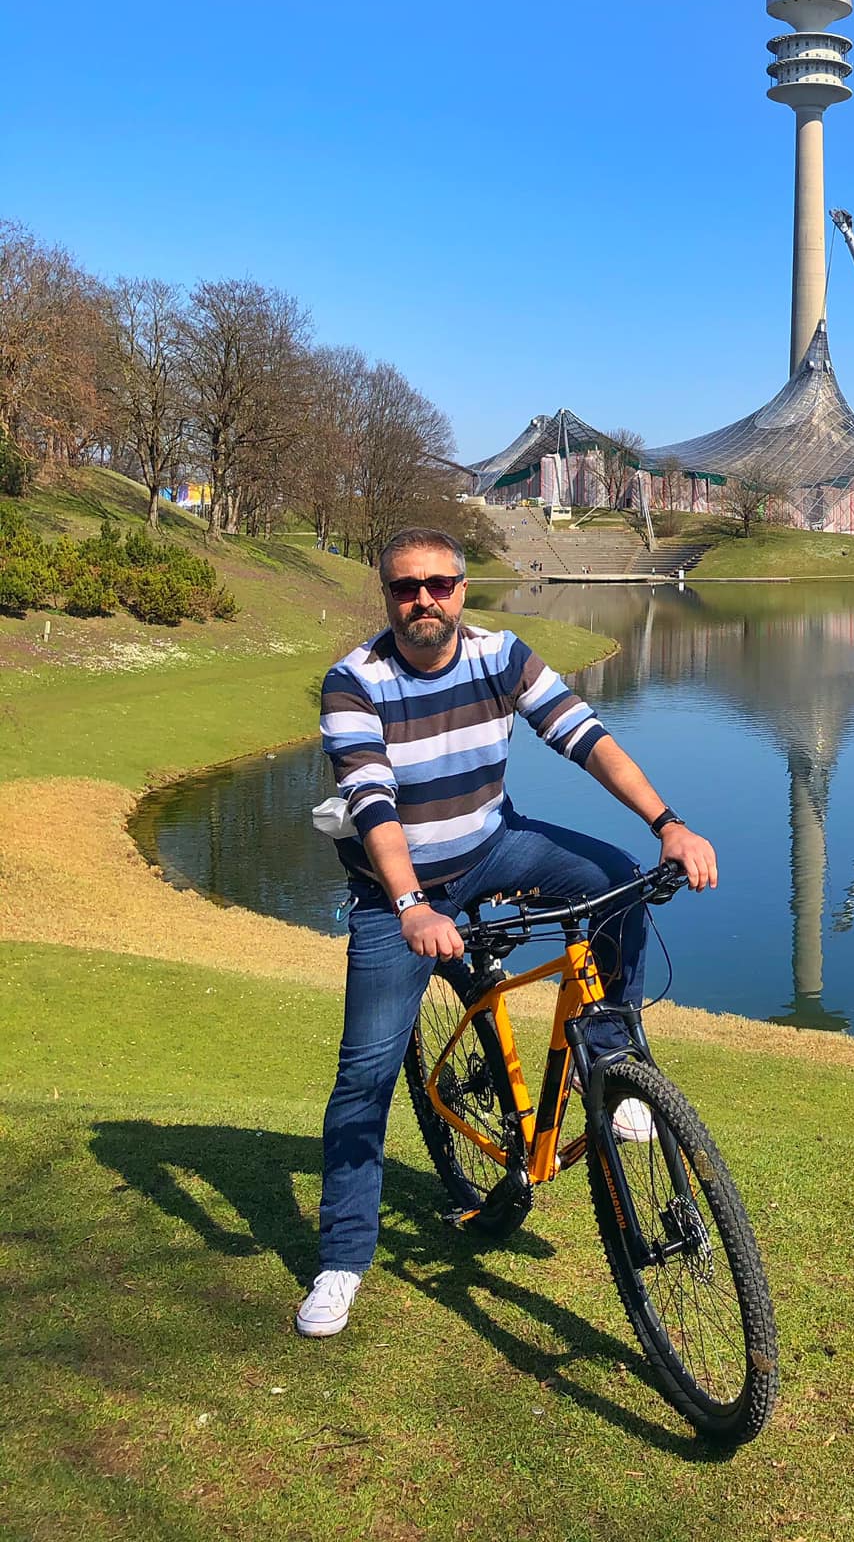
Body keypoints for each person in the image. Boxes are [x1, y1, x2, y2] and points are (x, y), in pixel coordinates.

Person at [295, 526, 716, 1339]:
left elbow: (584, 737)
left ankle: (614, 1061)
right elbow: (373, 803)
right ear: (386, 596)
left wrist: (671, 823)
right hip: (397, 887)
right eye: (405, 587)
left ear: (462, 588)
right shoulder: (354, 681)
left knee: (621, 883)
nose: (424, 600)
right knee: (365, 1077)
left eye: (440, 585)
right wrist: (413, 904)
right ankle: (342, 1260)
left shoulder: (501, 653)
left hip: (493, 845)